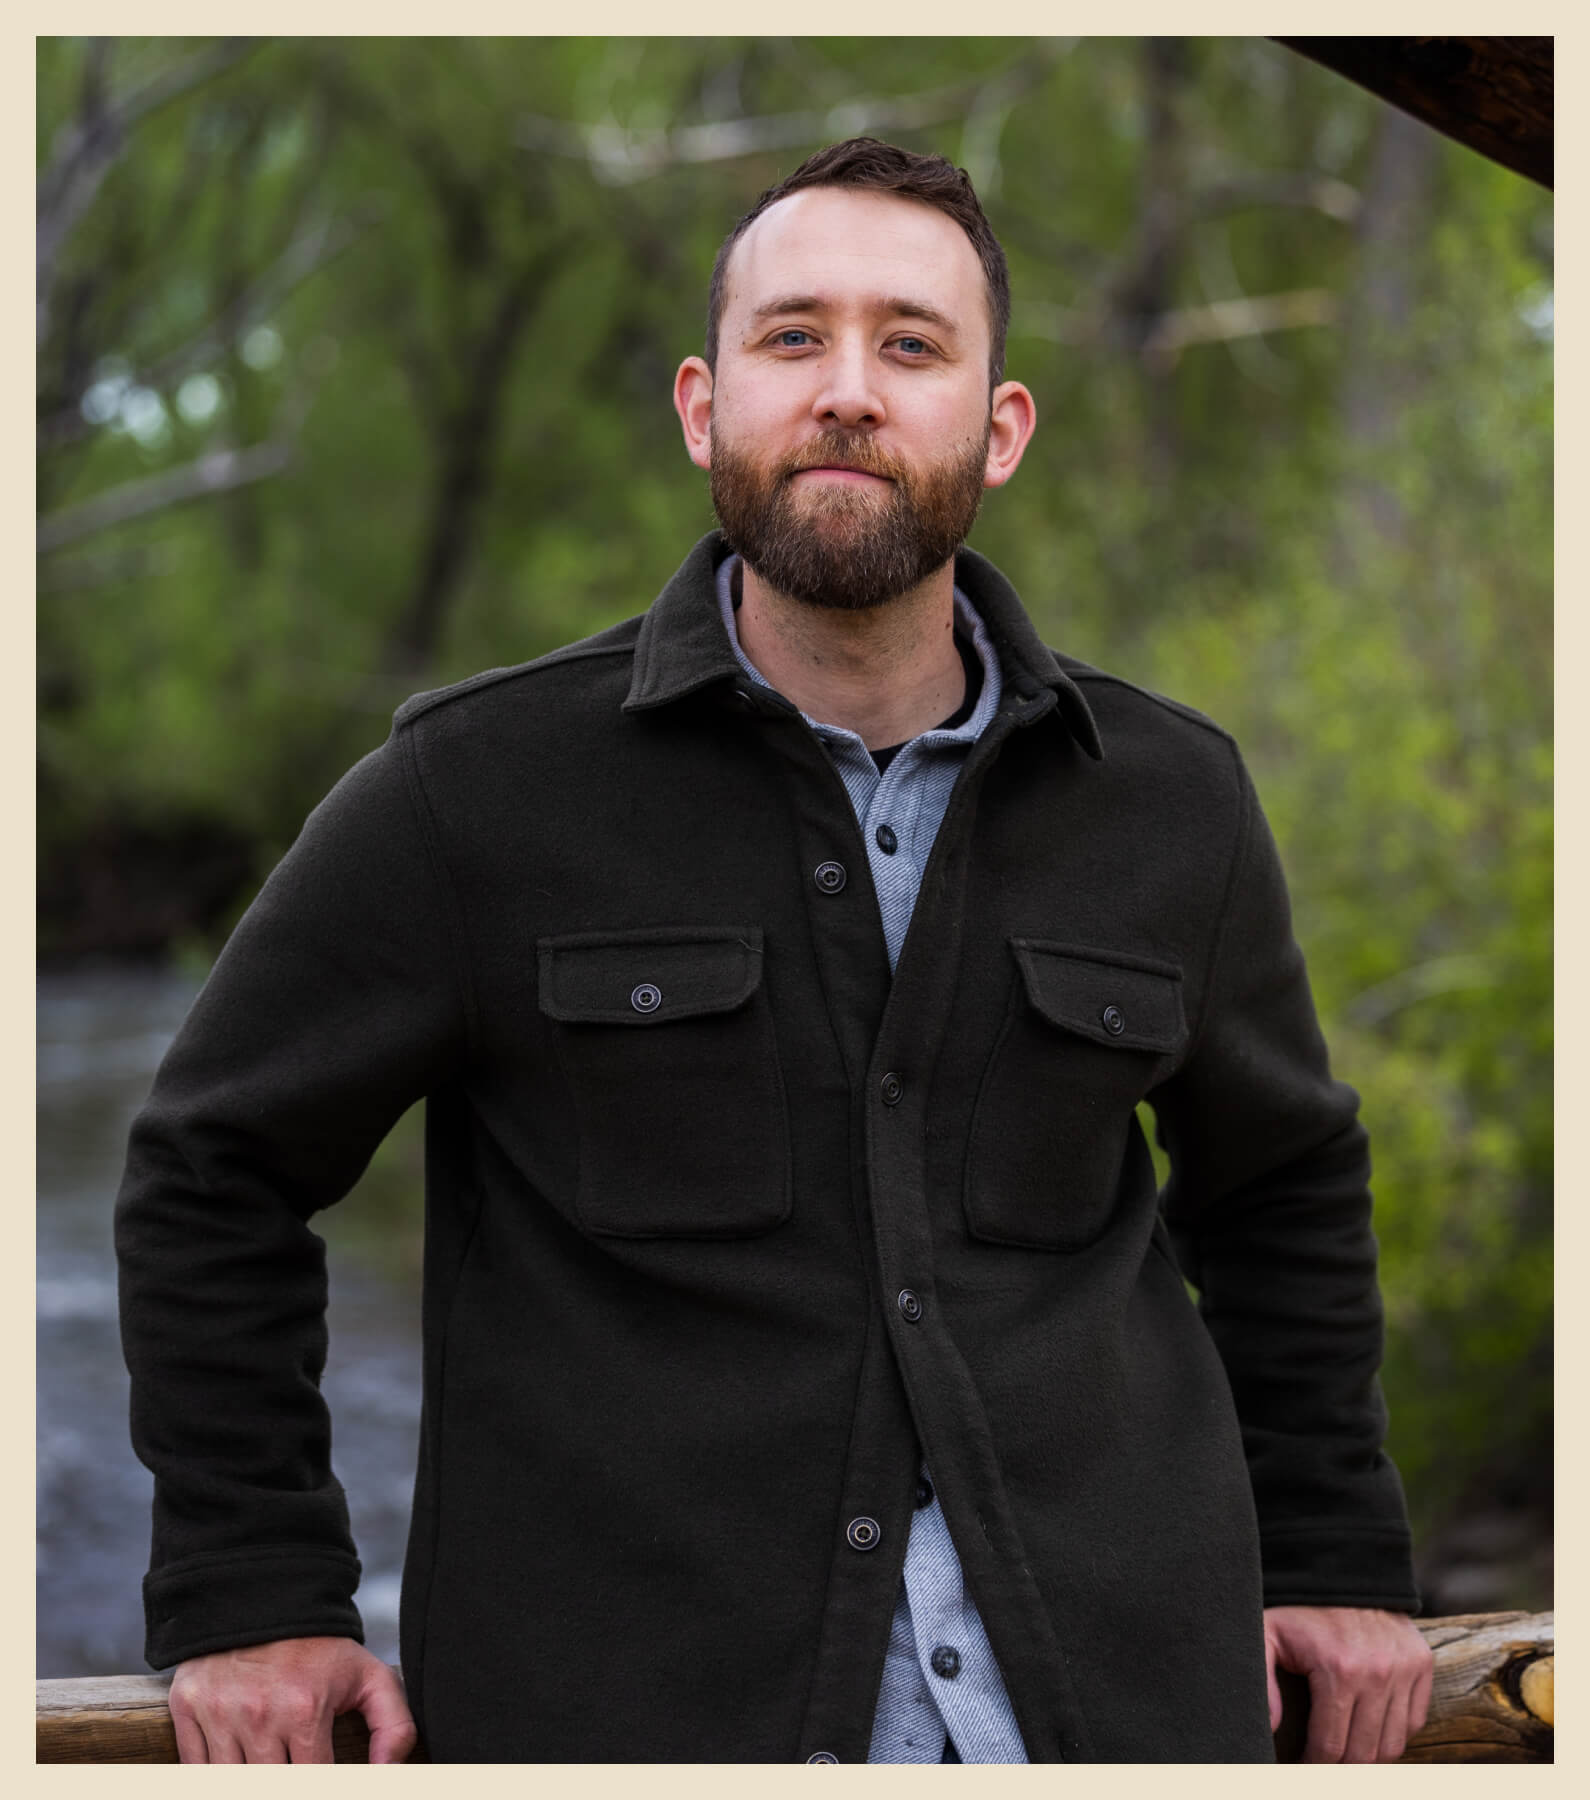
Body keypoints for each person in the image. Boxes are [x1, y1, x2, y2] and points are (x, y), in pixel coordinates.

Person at [116, 137, 1434, 1765]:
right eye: (792, 337)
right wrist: (255, 1588)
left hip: (1113, 1721)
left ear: (998, 427)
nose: (849, 392)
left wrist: (1328, 1553)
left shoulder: (1172, 803)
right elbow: (211, 1169)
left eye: (912, 343)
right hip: (632, 1725)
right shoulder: (472, 793)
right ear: (702, 405)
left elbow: (1283, 1183)